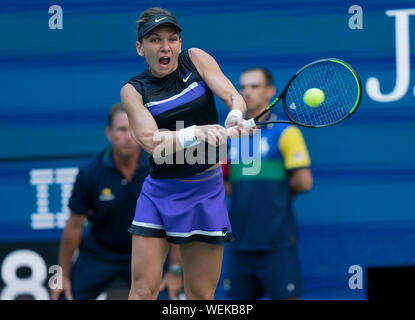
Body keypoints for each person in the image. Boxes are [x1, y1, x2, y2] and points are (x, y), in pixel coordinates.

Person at [120, 7, 246, 300]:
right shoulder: (133, 90)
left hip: (206, 190)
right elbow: (151, 141)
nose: (165, 47)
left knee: (201, 295)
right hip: (160, 192)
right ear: (140, 48)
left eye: (172, 39)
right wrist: (195, 133)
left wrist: (236, 113)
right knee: (142, 291)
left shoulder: (196, 59)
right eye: (154, 40)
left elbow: (231, 95)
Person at [51, 103, 183, 300]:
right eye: (121, 129)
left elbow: (174, 221)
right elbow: (74, 226)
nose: (128, 137)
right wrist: (62, 276)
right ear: (109, 133)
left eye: (132, 130)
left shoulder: (159, 169)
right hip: (99, 254)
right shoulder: (90, 173)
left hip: (146, 254)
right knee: (64, 296)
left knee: (167, 297)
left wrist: (175, 270)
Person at [222, 67, 313, 300]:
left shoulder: (286, 133)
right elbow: (225, 185)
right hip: (240, 243)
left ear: (270, 91)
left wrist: (277, 193)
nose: (247, 92)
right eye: (242, 87)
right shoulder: (230, 137)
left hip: (277, 244)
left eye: (255, 86)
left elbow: (303, 182)